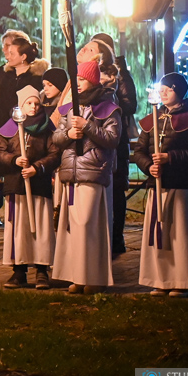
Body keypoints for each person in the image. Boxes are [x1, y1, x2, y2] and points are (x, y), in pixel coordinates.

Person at [132, 72, 188, 298]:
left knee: (178, 234)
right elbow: (140, 151)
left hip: (178, 184)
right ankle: (160, 279)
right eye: (161, 88)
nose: (163, 92)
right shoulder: (152, 118)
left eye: (168, 89)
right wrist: (148, 167)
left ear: (179, 92)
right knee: (158, 233)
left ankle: (182, 281)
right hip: (157, 186)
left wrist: (170, 157)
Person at [52, 60, 120, 294]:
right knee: (73, 229)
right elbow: (57, 139)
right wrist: (69, 132)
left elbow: (112, 139)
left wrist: (88, 127)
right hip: (71, 173)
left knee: (89, 226)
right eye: (75, 79)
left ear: (92, 80)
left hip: (92, 171)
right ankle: (76, 276)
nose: (77, 84)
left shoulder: (107, 107)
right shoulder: (70, 107)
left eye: (81, 79)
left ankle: (94, 276)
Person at [0, 86, 59, 289]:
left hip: (39, 185)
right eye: (29, 103)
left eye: (36, 103)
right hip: (16, 186)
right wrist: (14, 160)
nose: (33, 107)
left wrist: (37, 168)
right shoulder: (9, 128)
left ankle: (41, 270)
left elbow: (54, 154)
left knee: (41, 228)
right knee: (18, 229)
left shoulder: (47, 129)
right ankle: (19, 270)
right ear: (20, 105)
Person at [92, 32, 137, 256]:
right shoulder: (87, 75)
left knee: (116, 190)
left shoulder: (119, 75)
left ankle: (116, 239)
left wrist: (110, 97)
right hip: (93, 140)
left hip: (115, 140)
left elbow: (130, 105)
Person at [0, 36, 43, 225]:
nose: (7, 56)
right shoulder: (5, 77)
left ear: (23, 56)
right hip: (7, 129)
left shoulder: (36, 78)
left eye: (12, 53)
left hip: (28, 132)